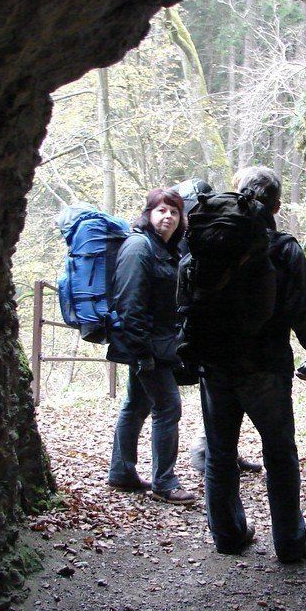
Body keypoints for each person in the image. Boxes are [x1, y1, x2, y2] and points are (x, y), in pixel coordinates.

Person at [194, 166, 306, 562]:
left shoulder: (208, 239)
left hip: (215, 366)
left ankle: (227, 536)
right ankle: (290, 543)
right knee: (279, 452)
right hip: (265, 367)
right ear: (276, 205)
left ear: (237, 193)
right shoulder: (281, 247)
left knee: (220, 452)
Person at [106, 188, 197, 505]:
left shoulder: (165, 249)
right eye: (161, 210)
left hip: (159, 345)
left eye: (174, 211)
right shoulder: (138, 248)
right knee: (168, 407)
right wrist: (142, 353)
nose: (169, 216)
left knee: (137, 405)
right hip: (148, 347)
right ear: (148, 214)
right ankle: (165, 482)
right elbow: (131, 305)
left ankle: (121, 472)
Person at [171, 177, 265, 476]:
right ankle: (206, 450)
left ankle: (219, 451)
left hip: (205, 325)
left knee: (217, 397)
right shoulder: (206, 229)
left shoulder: (195, 231)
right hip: (216, 326)